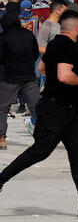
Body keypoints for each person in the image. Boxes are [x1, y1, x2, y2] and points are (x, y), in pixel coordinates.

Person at [0, 10, 78, 217]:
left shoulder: (54, 44)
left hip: (68, 110)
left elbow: (42, 68)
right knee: (40, 151)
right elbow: (63, 75)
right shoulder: (69, 47)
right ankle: (0, 179)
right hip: (57, 110)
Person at [0, 11, 40, 150]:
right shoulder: (28, 34)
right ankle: (42, 137)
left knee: (3, 108)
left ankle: (1, 138)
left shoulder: (3, 37)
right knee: (36, 107)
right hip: (29, 76)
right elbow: (35, 53)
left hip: (10, 77)